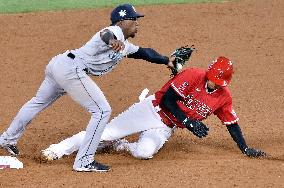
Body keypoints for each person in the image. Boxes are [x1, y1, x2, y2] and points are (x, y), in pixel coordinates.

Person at [0, 4, 176, 172]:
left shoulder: (126, 46)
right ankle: (84, 161)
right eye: (133, 19)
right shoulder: (114, 32)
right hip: (71, 69)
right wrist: (113, 41)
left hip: (60, 64)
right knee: (102, 111)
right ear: (122, 22)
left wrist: (166, 60)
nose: (137, 23)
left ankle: (7, 139)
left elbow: (145, 53)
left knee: (37, 102)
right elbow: (105, 34)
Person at [41, 56, 266, 162]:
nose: (214, 83)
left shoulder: (223, 97)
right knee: (106, 131)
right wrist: (188, 122)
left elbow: (232, 124)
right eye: (213, 79)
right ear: (208, 73)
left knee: (143, 153)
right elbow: (168, 101)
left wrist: (245, 148)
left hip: (165, 128)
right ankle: (57, 150)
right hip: (150, 110)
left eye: (219, 81)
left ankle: (121, 146)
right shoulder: (193, 75)